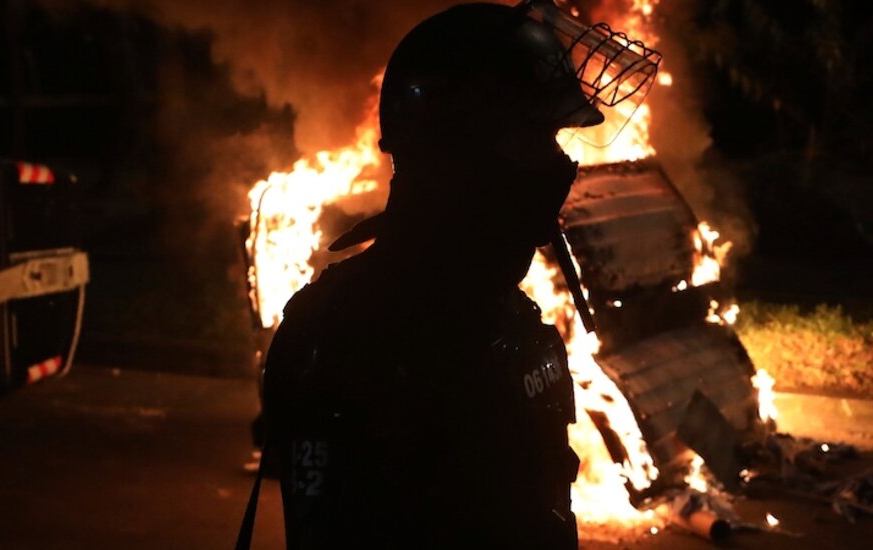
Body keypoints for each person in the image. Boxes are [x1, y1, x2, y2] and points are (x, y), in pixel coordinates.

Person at [261, 2, 646, 547]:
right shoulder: (353, 337)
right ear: (456, 155)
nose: (557, 165)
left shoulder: (503, 317)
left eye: (557, 140)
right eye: (534, 139)